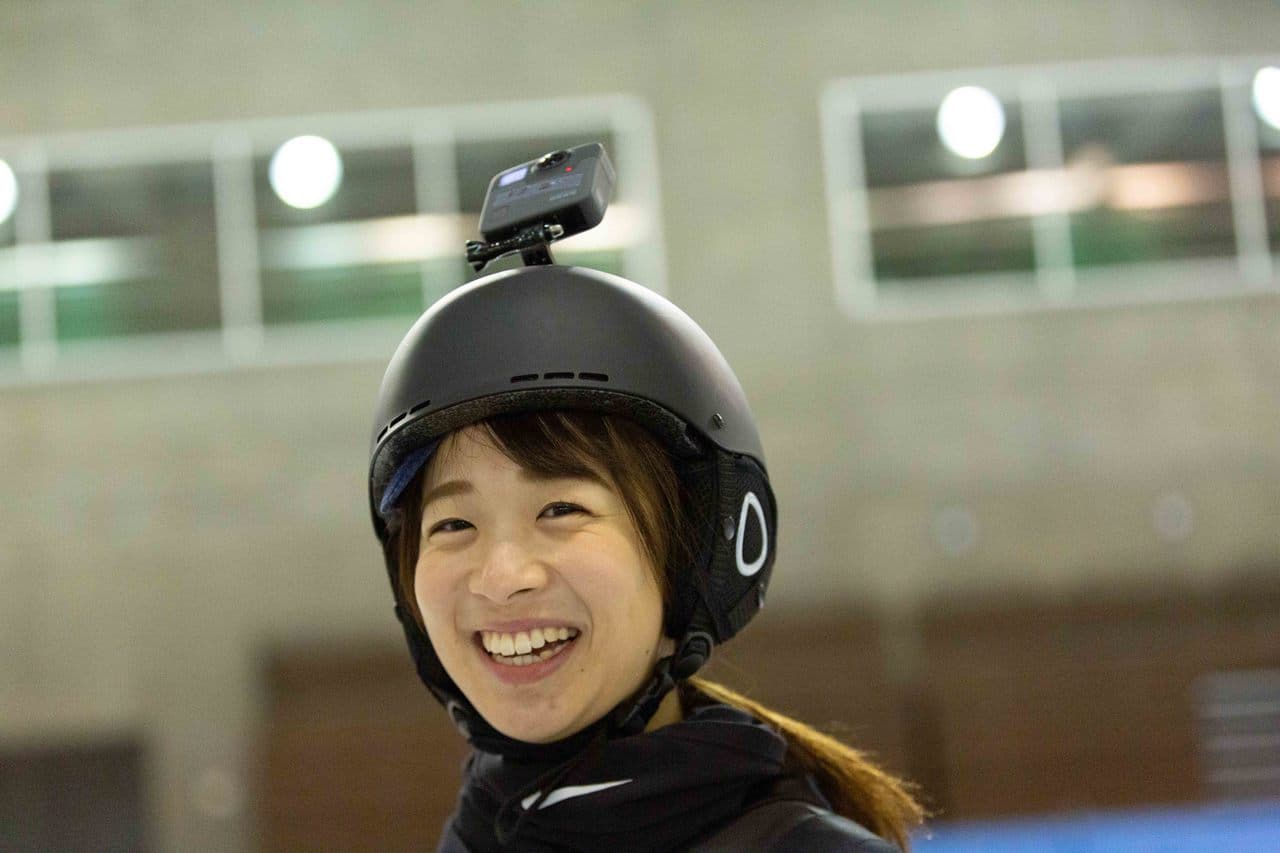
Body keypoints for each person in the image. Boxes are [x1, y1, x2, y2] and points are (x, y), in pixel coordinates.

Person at [368, 264, 923, 851]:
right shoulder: (478, 833)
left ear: (692, 558)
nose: (503, 578)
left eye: (560, 509)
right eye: (454, 523)